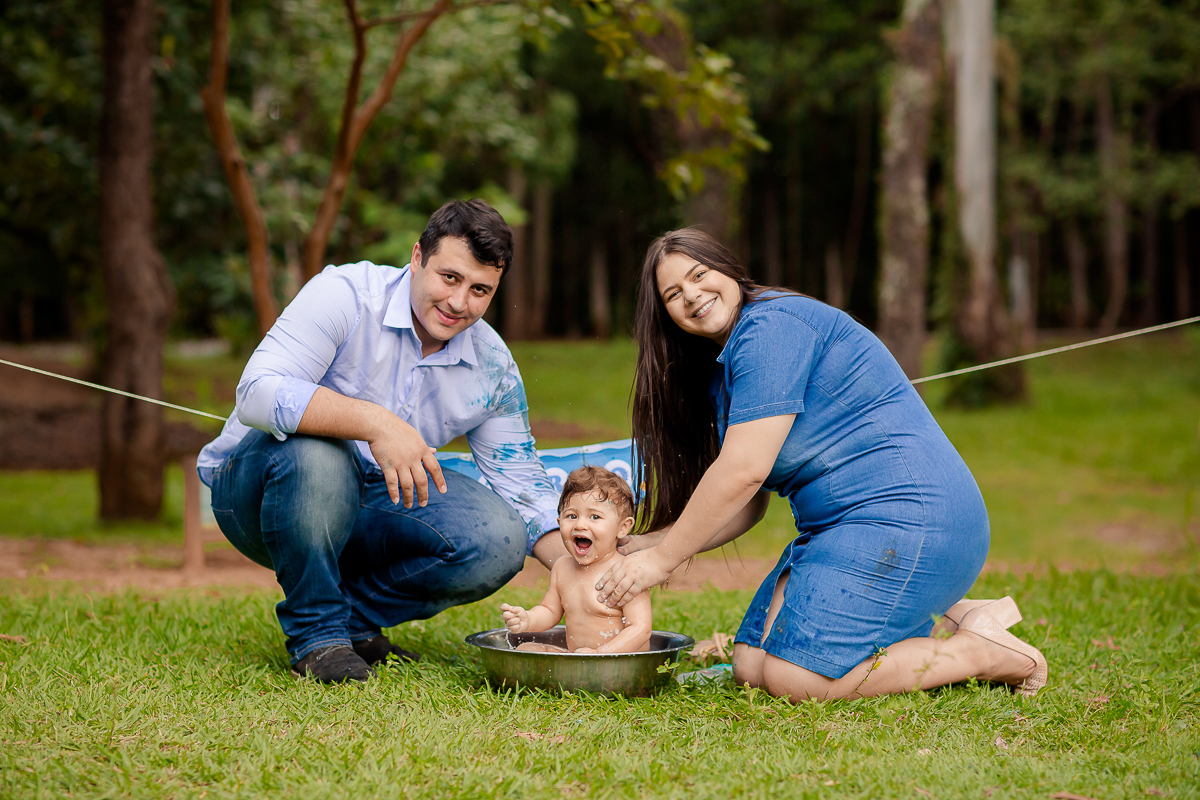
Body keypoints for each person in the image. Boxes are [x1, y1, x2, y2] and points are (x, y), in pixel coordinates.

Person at [594, 228, 1048, 700]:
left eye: (699, 274)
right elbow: (747, 502)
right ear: (664, 314)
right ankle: (943, 618)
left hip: (915, 519)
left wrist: (660, 563)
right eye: (673, 294)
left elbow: (742, 471)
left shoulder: (771, 329)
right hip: (845, 530)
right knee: (751, 666)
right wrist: (649, 545)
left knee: (798, 680)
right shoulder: (724, 370)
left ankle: (984, 653)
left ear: (728, 269)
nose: (692, 295)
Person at [197, 200, 569, 684]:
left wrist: (573, 566)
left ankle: (350, 619)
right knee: (315, 453)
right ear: (417, 258)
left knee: (499, 539)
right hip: (256, 492)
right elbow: (256, 393)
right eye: (449, 278)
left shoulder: (492, 366)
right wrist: (377, 423)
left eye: (480, 290)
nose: (459, 303)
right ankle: (318, 636)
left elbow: (522, 485)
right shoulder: (345, 294)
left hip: (372, 503)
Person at [500, 466, 652, 654]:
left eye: (595, 516)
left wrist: (601, 653)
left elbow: (640, 629)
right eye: (571, 516)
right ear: (559, 523)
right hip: (578, 658)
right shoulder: (562, 567)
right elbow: (550, 610)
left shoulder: (627, 571)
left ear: (623, 527)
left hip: (618, 661)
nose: (580, 524)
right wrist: (528, 619)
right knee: (526, 649)